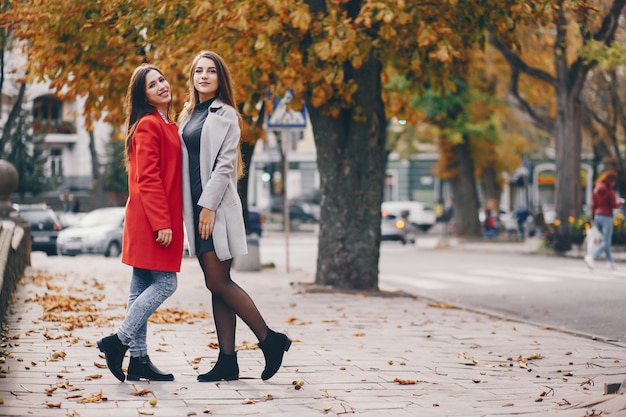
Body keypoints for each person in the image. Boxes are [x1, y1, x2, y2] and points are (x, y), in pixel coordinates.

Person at [178, 51, 291, 382]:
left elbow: (226, 164)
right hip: (195, 210)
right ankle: (228, 360)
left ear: (219, 78)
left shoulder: (225, 114)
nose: (204, 75)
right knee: (216, 285)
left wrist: (208, 206)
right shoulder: (188, 114)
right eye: (198, 70)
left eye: (211, 71)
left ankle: (270, 340)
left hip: (214, 210)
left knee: (218, 281)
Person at [97, 64, 184, 382]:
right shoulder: (149, 125)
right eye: (152, 84)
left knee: (140, 287)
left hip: (150, 217)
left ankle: (139, 360)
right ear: (143, 96)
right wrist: (162, 222)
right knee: (165, 284)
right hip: (152, 219)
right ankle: (117, 341)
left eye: (162, 79)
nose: (162, 85)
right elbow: (148, 179)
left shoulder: (167, 124)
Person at [584, 170, 624, 270]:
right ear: (611, 181)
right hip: (606, 217)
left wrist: (593, 217)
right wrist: (621, 202)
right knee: (606, 241)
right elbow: (613, 205)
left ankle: (609, 262)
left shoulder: (597, 189)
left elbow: (593, 205)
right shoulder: (610, 192)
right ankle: (592, 257)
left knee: (606, 240)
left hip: (597, 216)